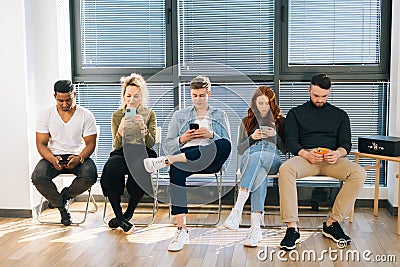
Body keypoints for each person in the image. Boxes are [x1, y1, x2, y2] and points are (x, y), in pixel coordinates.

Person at [278, 74, 367, 250]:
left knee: (359, 172)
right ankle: (292, 228)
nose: (319, 100)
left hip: (331, 159)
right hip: (306, 158)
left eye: (324, 96)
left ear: (329, 92)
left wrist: (338, 153)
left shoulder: (340, 115)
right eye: (316, 95)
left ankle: (332, 223)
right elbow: (291, 142)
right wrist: (306, 154)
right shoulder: (296, 113)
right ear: (309, 90)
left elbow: (346, 144)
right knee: (286, 168)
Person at [143, 75, 231, 251]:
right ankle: (181, 229)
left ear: (209, 94)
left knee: (223, 143)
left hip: (211, 158)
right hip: (185, 157)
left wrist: (211, 135)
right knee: (176, 168)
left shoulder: (220, 115)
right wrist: (183, 138)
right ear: (190, 95)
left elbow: (227, 144)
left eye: (201, 95)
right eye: (194, 95)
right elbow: (168, 145)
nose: (198, 99)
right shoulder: (179, 115)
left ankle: (167, 162)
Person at [223, 86, 286, 247]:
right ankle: (255, 228)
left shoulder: (280, 120)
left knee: (258, 159)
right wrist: (252, 138)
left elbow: (286, 149)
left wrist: (275, 136)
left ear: (272, 104)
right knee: (259, 174)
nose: (264, 107)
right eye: (260, 103)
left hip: (272, 159)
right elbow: (240, 149)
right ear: (254, 103)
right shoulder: (246, 121)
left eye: (267, 103)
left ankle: (237, 209)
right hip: (250, 158)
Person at [31, 80, 98, 226]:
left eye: (68, 99)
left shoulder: (86, 115)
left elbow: (91, 144)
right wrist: (52, 159)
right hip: (53, 156)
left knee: (90, 175)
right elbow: (41, 144)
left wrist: (79, 158)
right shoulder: (46, 115)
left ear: (74, 94)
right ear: (55, 97)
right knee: (38, 177)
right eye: (60, 100)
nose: (65, 104)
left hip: (79, 156)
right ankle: (62, 209)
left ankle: (63, 197)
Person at [100, 73, 157, 234]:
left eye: (136, 96)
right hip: (122, 151)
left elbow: (151, 143)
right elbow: (115, 145)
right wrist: (120, 130)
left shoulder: (149, 114)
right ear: (124, 96)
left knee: (141, 169)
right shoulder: (117, 115)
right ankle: (120, 217)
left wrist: (143, 130)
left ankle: (127, 214)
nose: (132, 100)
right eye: (129, 95)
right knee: (110, 170)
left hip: (142, 151)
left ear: (141, 97)